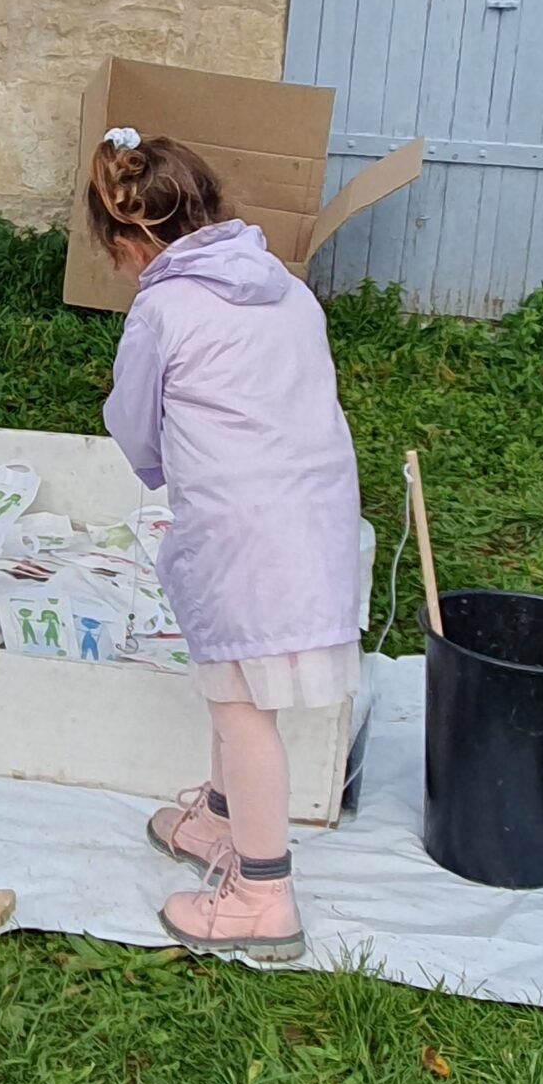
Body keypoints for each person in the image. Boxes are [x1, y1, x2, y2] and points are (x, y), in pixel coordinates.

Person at [92, 126, 363, 962]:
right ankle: (219, 817)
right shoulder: (284, 287)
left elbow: (137, 423)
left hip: (240, 529)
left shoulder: (164, 308)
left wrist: (151, 467)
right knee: (244, 676)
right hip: (315, 516)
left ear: (133, 243)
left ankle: (262, 894)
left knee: (241, 708)